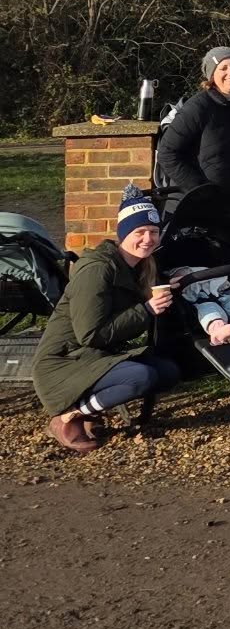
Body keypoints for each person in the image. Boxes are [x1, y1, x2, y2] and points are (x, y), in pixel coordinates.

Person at [33, 185, 182, 453]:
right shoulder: (97, 269)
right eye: (140, 232)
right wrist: (147, 310)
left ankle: (89, 409)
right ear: (123, 234)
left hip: (94, 357)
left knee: (169, 371)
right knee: (141, 377)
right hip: (64, 363)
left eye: (153, 232)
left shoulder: (141, 266)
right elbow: (90, 335)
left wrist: (171, 286)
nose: (147, 239)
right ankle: (68, 416)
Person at [155, 46, 230, 207]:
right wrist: (200, 190)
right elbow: (167, 152)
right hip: (204, 205)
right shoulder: (198, 107)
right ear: (211, 76)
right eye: (223, 68)